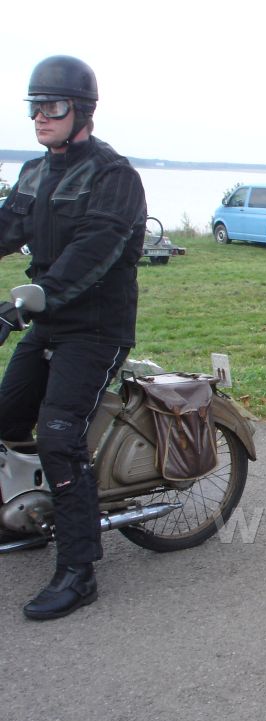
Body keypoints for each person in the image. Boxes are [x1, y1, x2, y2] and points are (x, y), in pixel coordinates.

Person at [0, 56, 147, 620]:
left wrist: (29, 300)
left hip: (96, 328)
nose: (41, 116)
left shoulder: (114, 177)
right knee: (6, 417)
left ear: (82, 110)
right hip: (49, 322)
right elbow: (6, 227)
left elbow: (94, 253)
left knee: (60, 436)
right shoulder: (34, 174)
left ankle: (78, 570)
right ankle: (29, 516)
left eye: (53, 106)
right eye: (35, 106)